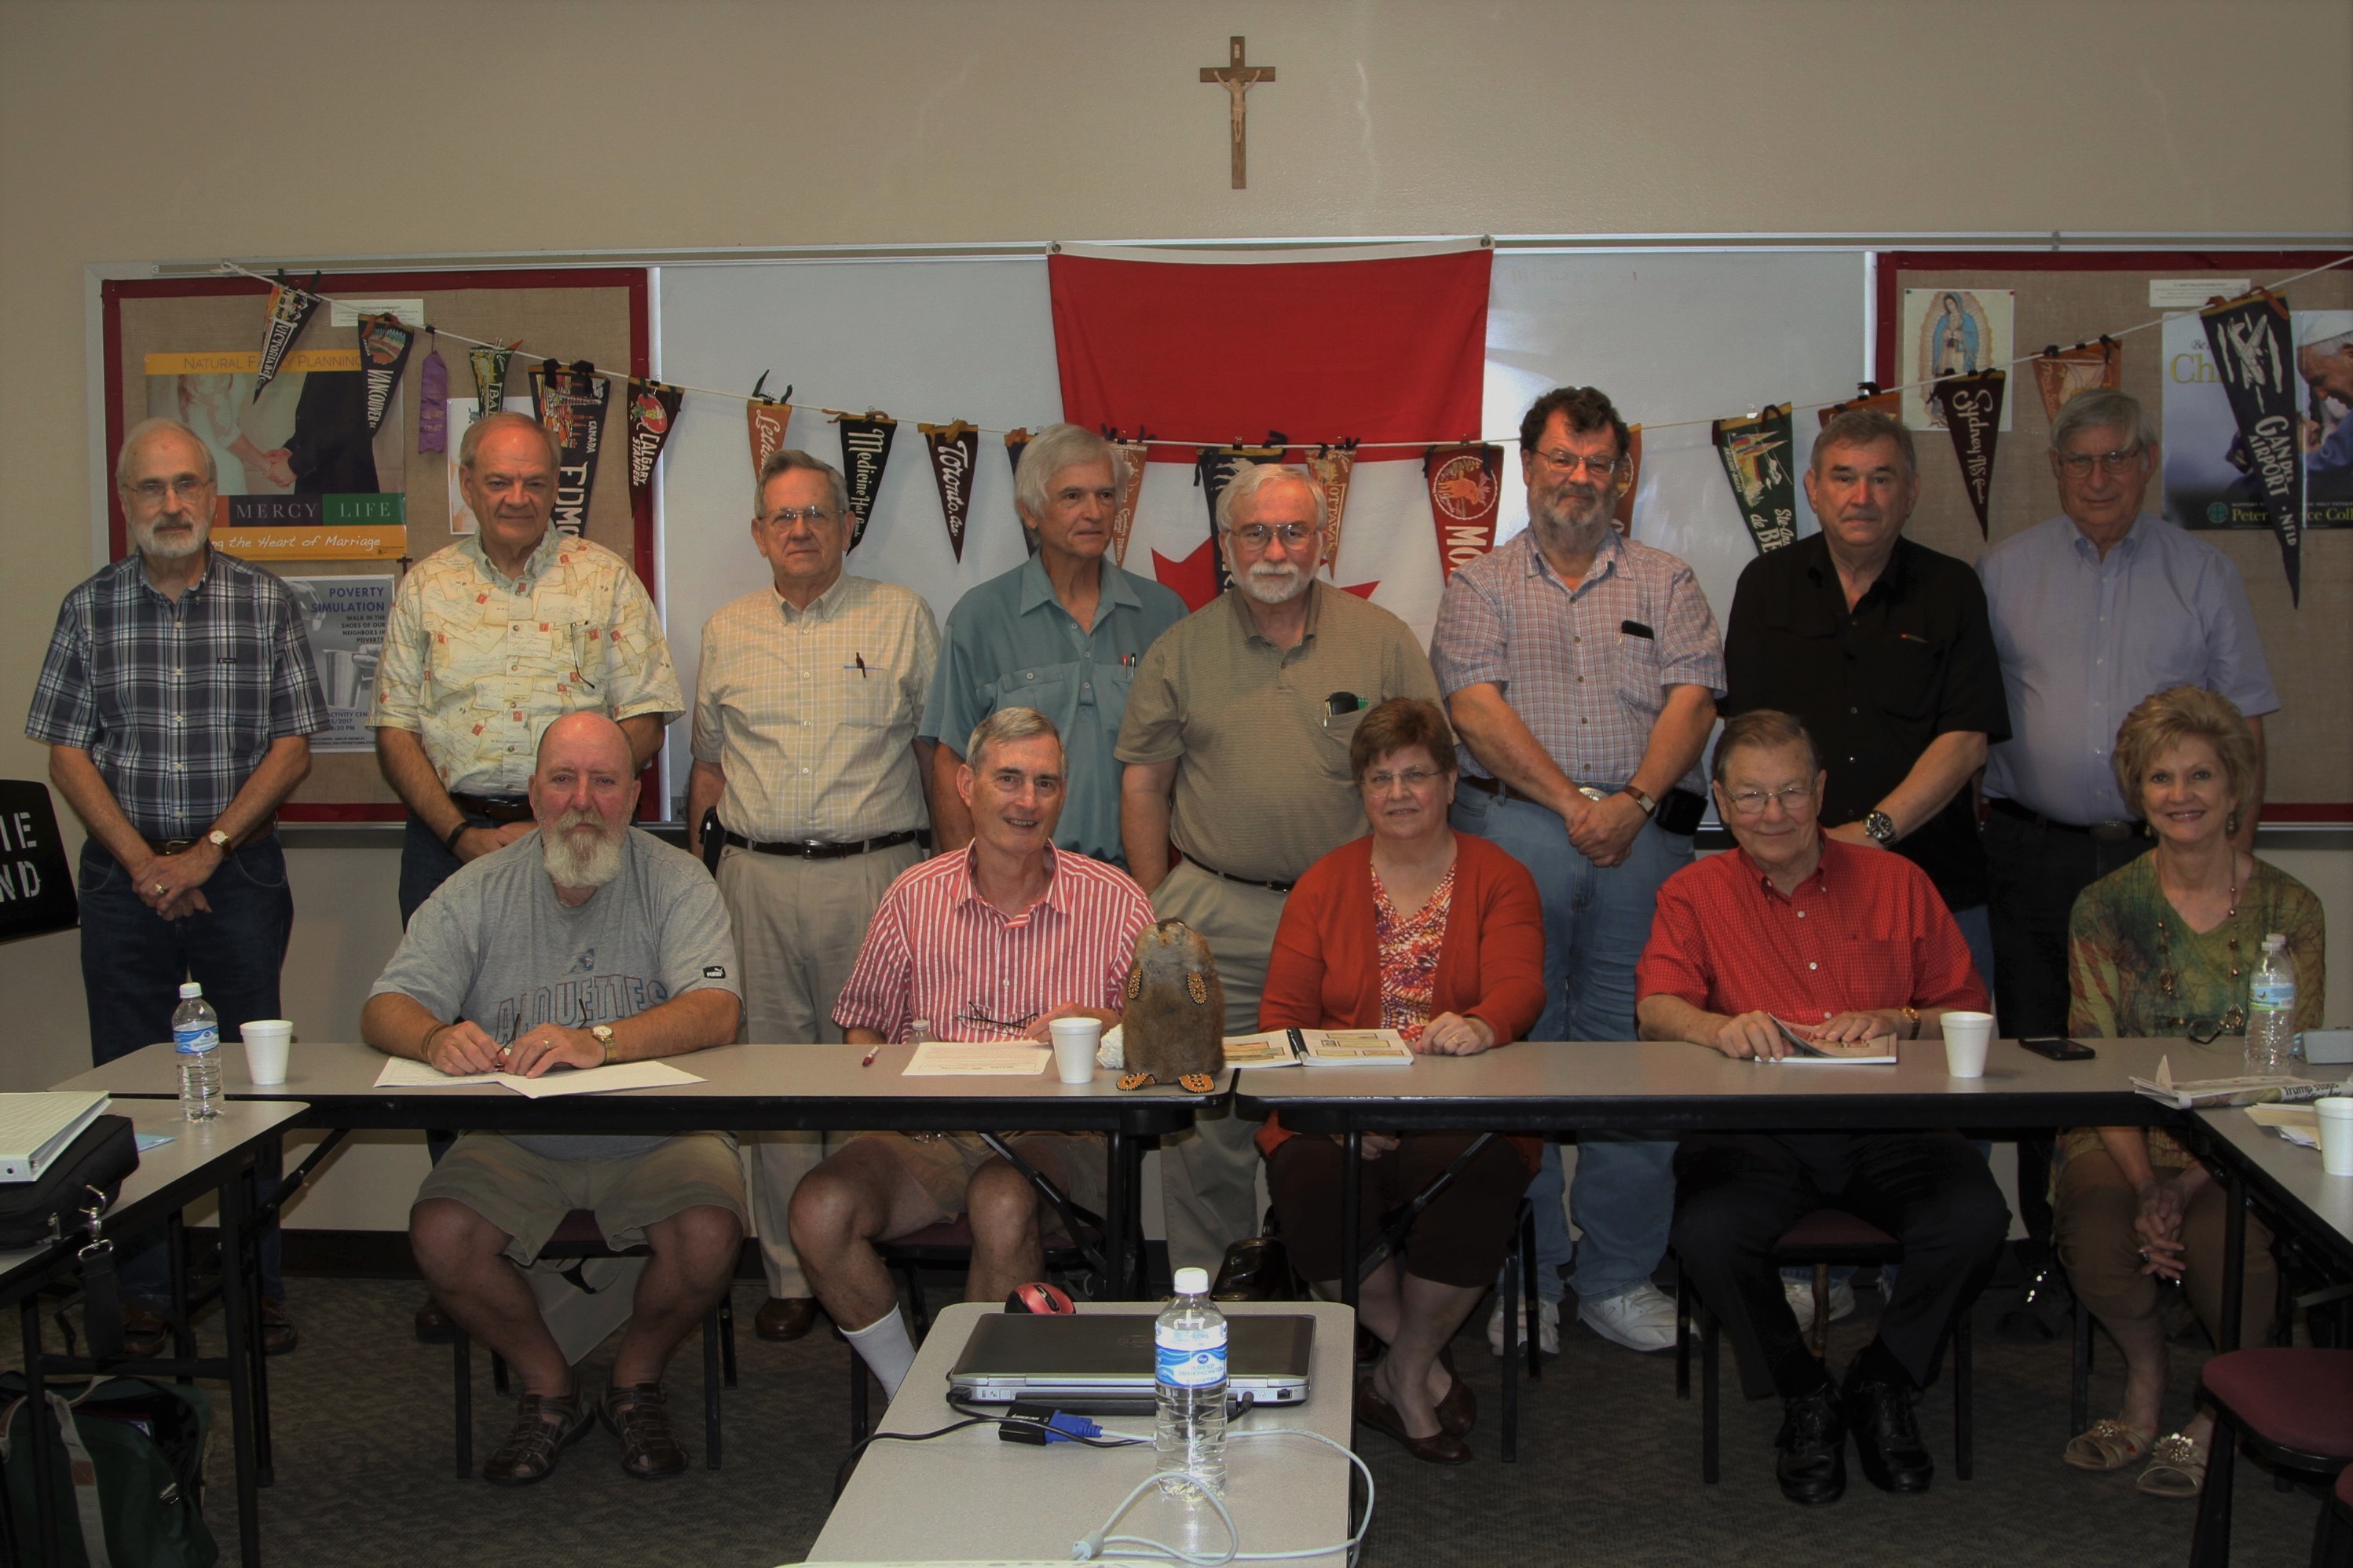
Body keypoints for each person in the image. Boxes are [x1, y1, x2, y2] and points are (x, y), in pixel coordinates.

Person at [361, 711, 745, 1485]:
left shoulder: (679, 880)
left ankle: (633, 1377)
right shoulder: (474, 889)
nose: (582, 799)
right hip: (514, 1141)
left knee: (709, 1231)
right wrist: (436, 1038)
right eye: (563, 780)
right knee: (440, 1232)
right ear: (533, 794)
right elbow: (384, 1005)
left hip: (657, 1134)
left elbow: (716, 1009)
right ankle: (549, 1382)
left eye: (603, 780)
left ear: (633, 795)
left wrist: (598, 1040)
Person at [1638, 710, 2010, 1507]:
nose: (1771, 814)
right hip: (1753, 1133)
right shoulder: (1690, 891)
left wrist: (1901, 1018)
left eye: (1789, 793)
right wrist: (1714, 1025)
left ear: (1820, 791)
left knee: (1974, 1215)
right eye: (1750, 796)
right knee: (1704, 1231)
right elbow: (1654, 1008)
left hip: (1888, 1126)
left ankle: (1884, 1378)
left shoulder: (1898, 881)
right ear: (1719, 800)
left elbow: (1966, 1010)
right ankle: (1803, 1390)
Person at [371, 409, 683, 1340]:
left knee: (595, 1005)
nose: (516, 497)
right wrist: (465, 831)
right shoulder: (424, 588)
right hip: (452, 835)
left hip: (586, 834)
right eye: (498, 480)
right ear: (466, 484)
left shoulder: (603, 579)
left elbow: (648, 713)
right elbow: (395, 729)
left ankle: (608, 1208)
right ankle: (471, 1252)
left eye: (536, 481)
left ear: (558, 488)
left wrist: (574, 801)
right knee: (451, 1037)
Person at [1430, 386, 1724, 1358]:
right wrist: (1571, 806)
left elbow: (1696, 699)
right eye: (1563, 459)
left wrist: (1631, 802)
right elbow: (1471, 708)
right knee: (1512, 1061)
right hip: (1518, 836)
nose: (1581, 480)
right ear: (1529, 464)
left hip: (1644, 844)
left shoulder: (1666, 580)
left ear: (1621, 472)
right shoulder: (1478, 586)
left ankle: (1616, 1275)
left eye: (1599, 463)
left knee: (1635, 1065)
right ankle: (1524, 1274)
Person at [27, 416, 326, 1358]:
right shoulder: (88, 608)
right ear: (126, 503)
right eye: (151, 488)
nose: (171, 504)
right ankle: (145, 1286)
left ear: (214, 497)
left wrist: (203, 852)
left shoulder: (264, 601)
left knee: (251, 1084)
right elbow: (65, 751)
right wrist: (144, 862)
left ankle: (255, 1284)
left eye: (187, 485)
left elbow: (292, 746)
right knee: (132, 1090)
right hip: (123, 886)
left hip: (236, 876)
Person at [1116, 462, 1442, 1277]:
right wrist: (1162, 905)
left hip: (1352, 917)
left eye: (1293, 530)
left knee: (1345, 1115)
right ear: (1226, 543)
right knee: (1205, 1115)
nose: (1274, 548)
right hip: (1216, 913)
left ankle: (1342, 1297)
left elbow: (1428, 774)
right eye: (1255, 531)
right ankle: (1213, 1297)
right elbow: (1144, 780)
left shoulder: (1381, 640)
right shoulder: (1180, 648)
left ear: (1321, 540)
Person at [1978, 387, 2278, 1242]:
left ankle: (2181, 1228)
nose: (2098, 476)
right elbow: (1970, 718)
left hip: (2171, 861)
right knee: (2041, 1052)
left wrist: (2234, 871)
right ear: (2055, 472)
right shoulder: (2003, 570)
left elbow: (2244, 724)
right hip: (2031, 853)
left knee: (2172, 1048)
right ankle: (2057, 1253)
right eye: (2080, 460)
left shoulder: (2203, 573)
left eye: (2116, 457)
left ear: (2146, 463)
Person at [791, 707, 1155, 1401]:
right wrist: (893, 1090)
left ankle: (980, 1395)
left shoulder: (1116, 901)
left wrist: (1101, 1021)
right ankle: (915, 1394)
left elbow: (1166, 1034)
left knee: (1000, 1194)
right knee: (819, 1207)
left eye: (1046, 783)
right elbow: (861, 1029)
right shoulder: (912, 896)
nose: (1027, 801)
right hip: (932, 1134)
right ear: (966, 784)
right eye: (1009, 779)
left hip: (1065, 1136)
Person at [684, 448, 940, 1348]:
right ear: (758, 534)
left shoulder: (901, 616)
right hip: (753, 874)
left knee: (875, 1069)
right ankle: (792, 1271)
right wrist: (699, 882)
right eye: (781, 517)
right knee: (772, 1075)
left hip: (876, 875)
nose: (799, 530)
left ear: (844, 526)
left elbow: (932, 754)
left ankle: (863, 1247)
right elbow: (709, 767)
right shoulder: (725, 630)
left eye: (815, 515)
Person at [1257, 699, 1544, 1464]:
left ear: (1451, 783)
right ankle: (1416, 1362)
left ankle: (1404, 1371)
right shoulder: (1321, 885)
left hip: (1462, 1102)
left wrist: (1483, 1022)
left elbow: (1519, 988)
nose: (1397, 791)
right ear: (1361, 791)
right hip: (1336, 1106)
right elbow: (1281, 1022)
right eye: (1379, 777)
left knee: (1469, 1168)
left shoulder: (1500, 877)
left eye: (1416, 773)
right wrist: (1344, 1109)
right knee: (1310, 1173)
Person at [2055, 687, 2323, 1499]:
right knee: (2099, 1232)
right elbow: (2096, 1061)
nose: (2182, 795)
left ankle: (2213, 1408)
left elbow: (2284, 1070)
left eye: (2200, 775)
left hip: (2244, 1139)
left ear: (2234, 787)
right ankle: (2143, 1379)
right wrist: (2146, 1184)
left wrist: (2189, 1180)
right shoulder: (2104, 907)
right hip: (2120, 1133)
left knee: (2226, 1251)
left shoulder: (2290, 908)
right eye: (2161, 777)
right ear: (2138, 794)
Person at [1724, 406, 2007, 1003]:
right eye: (1844, 477)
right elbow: (1748, 741)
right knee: (1789, 1059)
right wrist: (1806, 842)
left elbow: (1967, 739)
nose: (1862, 496)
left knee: (1945, 1073)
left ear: (1911, 492)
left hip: (1933, 880)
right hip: (1788, 884)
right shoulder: (1764, 586)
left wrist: (1873, 831)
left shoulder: (1952, 589)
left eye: (1881, 478)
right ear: (1813, 489)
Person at [924, 423, 1186, 867]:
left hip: (1129, 881)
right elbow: (949, 761)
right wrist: (964, 882)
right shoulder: (981, 617)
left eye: (1105, 495)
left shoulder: (1163, 615)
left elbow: (1187, 763)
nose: (1094, 512)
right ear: (1029, 511)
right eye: (1072, 497)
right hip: (1015, 879)